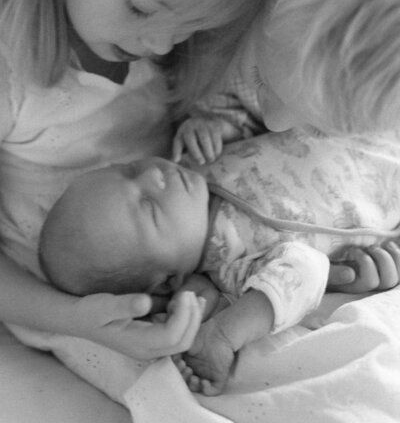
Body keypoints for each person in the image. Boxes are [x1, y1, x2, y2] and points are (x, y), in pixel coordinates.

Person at [0, 0, 289, 360]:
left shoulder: (171, 48)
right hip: (60, 310)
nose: (160, 42)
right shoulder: (11, 71)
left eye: (190, 27)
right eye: (142, 8)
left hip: (206, 272)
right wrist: (76, 319)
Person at [39, 131, 400, 395]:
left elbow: (254, 114)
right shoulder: (233, 269)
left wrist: (212, 124)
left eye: (130, 170)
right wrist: (225, 331)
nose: (153, 175)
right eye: (149, 207)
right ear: (168, 281)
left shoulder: (199, 158)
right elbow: (305, 271)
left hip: (365, 122)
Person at [172, 0, 400, 163]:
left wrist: (227, 128)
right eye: (261, 79)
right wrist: (205, 119)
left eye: (318, 131)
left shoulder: (378, 104)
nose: (274, 124)